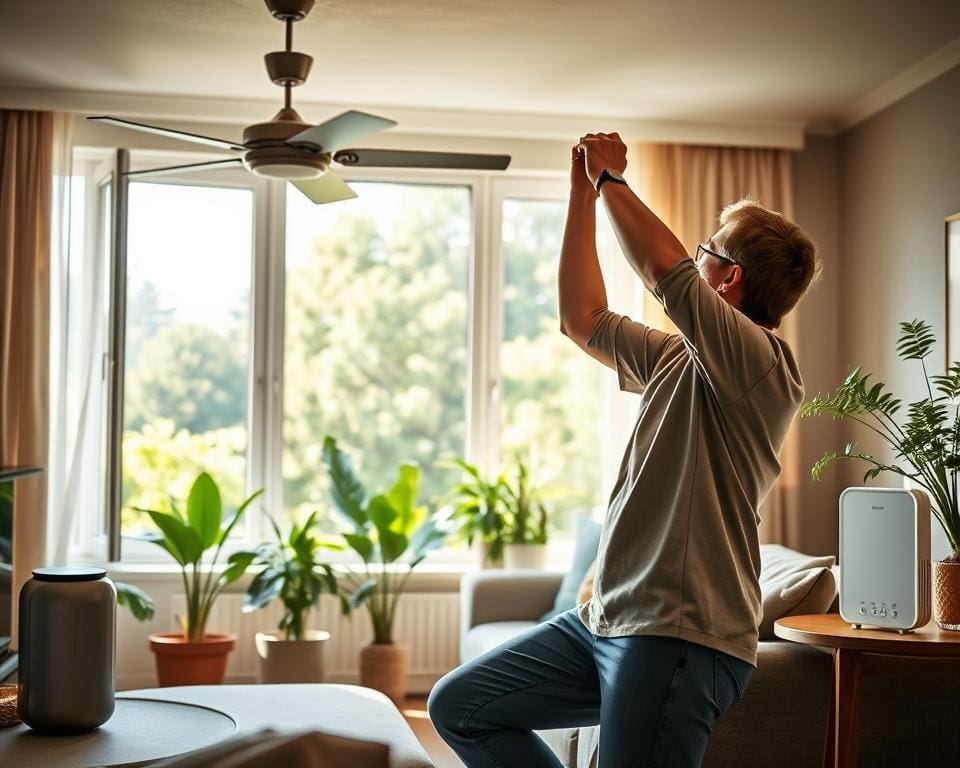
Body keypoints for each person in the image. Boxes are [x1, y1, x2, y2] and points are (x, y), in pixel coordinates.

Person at [428, 132, 820, 768]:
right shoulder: (675, 356)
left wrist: (612, 179)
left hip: (678, 634)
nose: (695, 262)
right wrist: (582, 193)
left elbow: (664, 270)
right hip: (607, 619)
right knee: (460, 707)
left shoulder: (762, 365)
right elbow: (582, 318)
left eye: (706, 254)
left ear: (726, 277)